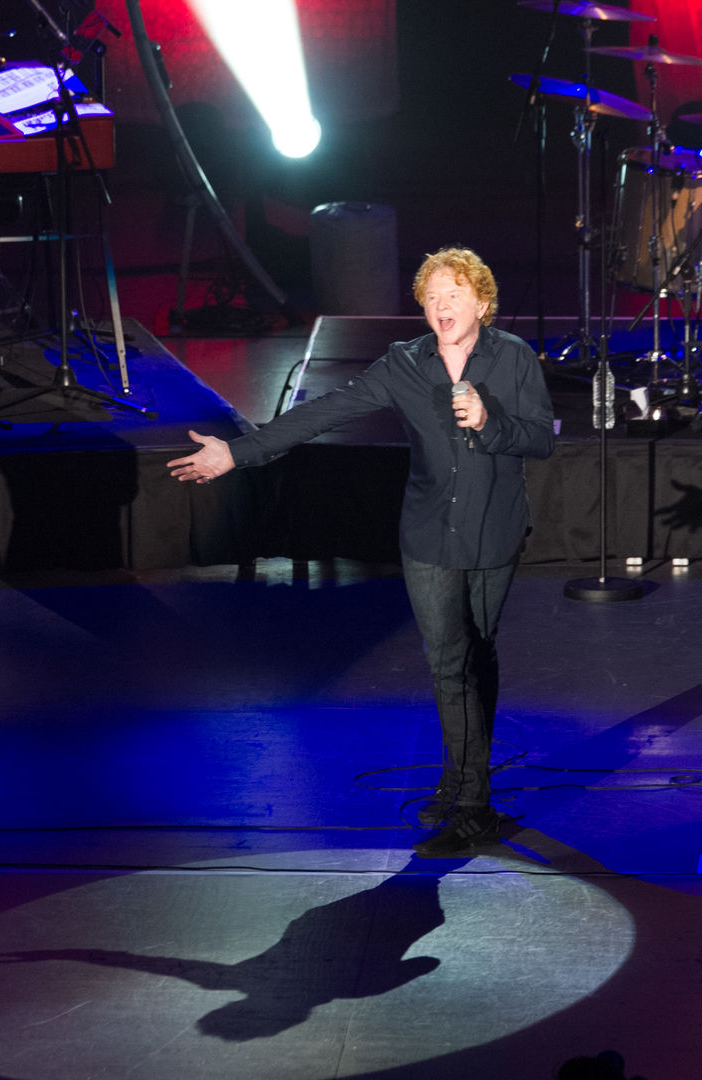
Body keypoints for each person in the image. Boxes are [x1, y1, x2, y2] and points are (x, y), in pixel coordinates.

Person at [167, 246, 555, 858]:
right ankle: (466, 795)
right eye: (430, 297)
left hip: (495, 532)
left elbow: (540, 439)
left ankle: (466, 791)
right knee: (446, 661)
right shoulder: (404, 365)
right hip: (428, 536)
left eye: (453, 294)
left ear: (482, 302)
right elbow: (323, 411)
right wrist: (236, 453)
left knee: (477, 657)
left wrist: (489, 420)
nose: (440, 305)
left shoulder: (514, 359)